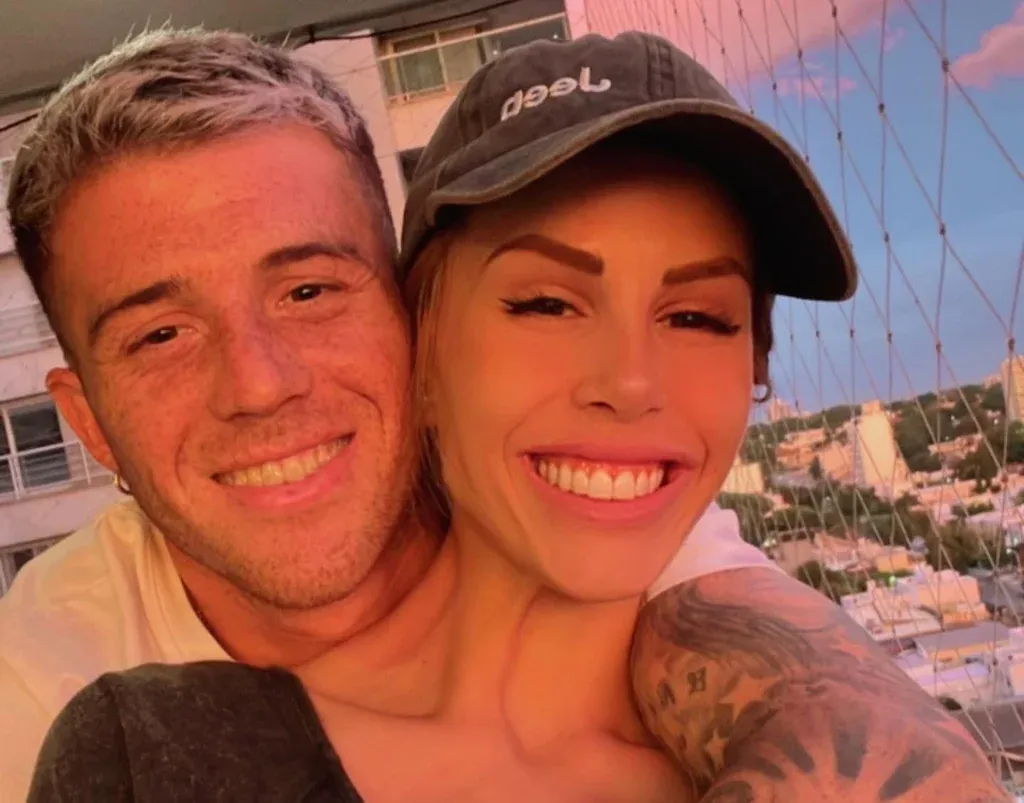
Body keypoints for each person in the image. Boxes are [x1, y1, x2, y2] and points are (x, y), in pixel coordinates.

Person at [24, 29, 1007, 803]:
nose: (631, 383)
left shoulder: (731, 636)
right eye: (544, 303)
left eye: (698, 316)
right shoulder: (99, 723)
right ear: (426, 345)